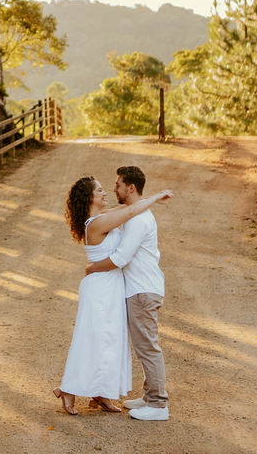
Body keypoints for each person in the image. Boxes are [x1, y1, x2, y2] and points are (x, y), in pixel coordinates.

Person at [54, 176, 172, 415]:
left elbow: (131, 206)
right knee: (92, 340)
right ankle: (68, 389)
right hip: (100, 287)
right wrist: (157, 197)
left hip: (113, 287)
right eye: (100, 190)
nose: (106, 192)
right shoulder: (95, 223)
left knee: (111, 342)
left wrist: (152, 197)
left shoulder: (104, 217)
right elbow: (130, 212)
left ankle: (102, 393)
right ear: (90, 198)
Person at [85, 165, 169, 421]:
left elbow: (121, 257)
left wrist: (92, 268)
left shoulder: (138, 219)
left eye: (118, 184)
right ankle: (149, 395)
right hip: (140, 289)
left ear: (130, 188)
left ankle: (158, 404)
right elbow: (114, 214)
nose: (114, 189)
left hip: (142, 291)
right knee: (144, 346)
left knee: (148, 348)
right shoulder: (134, 214)